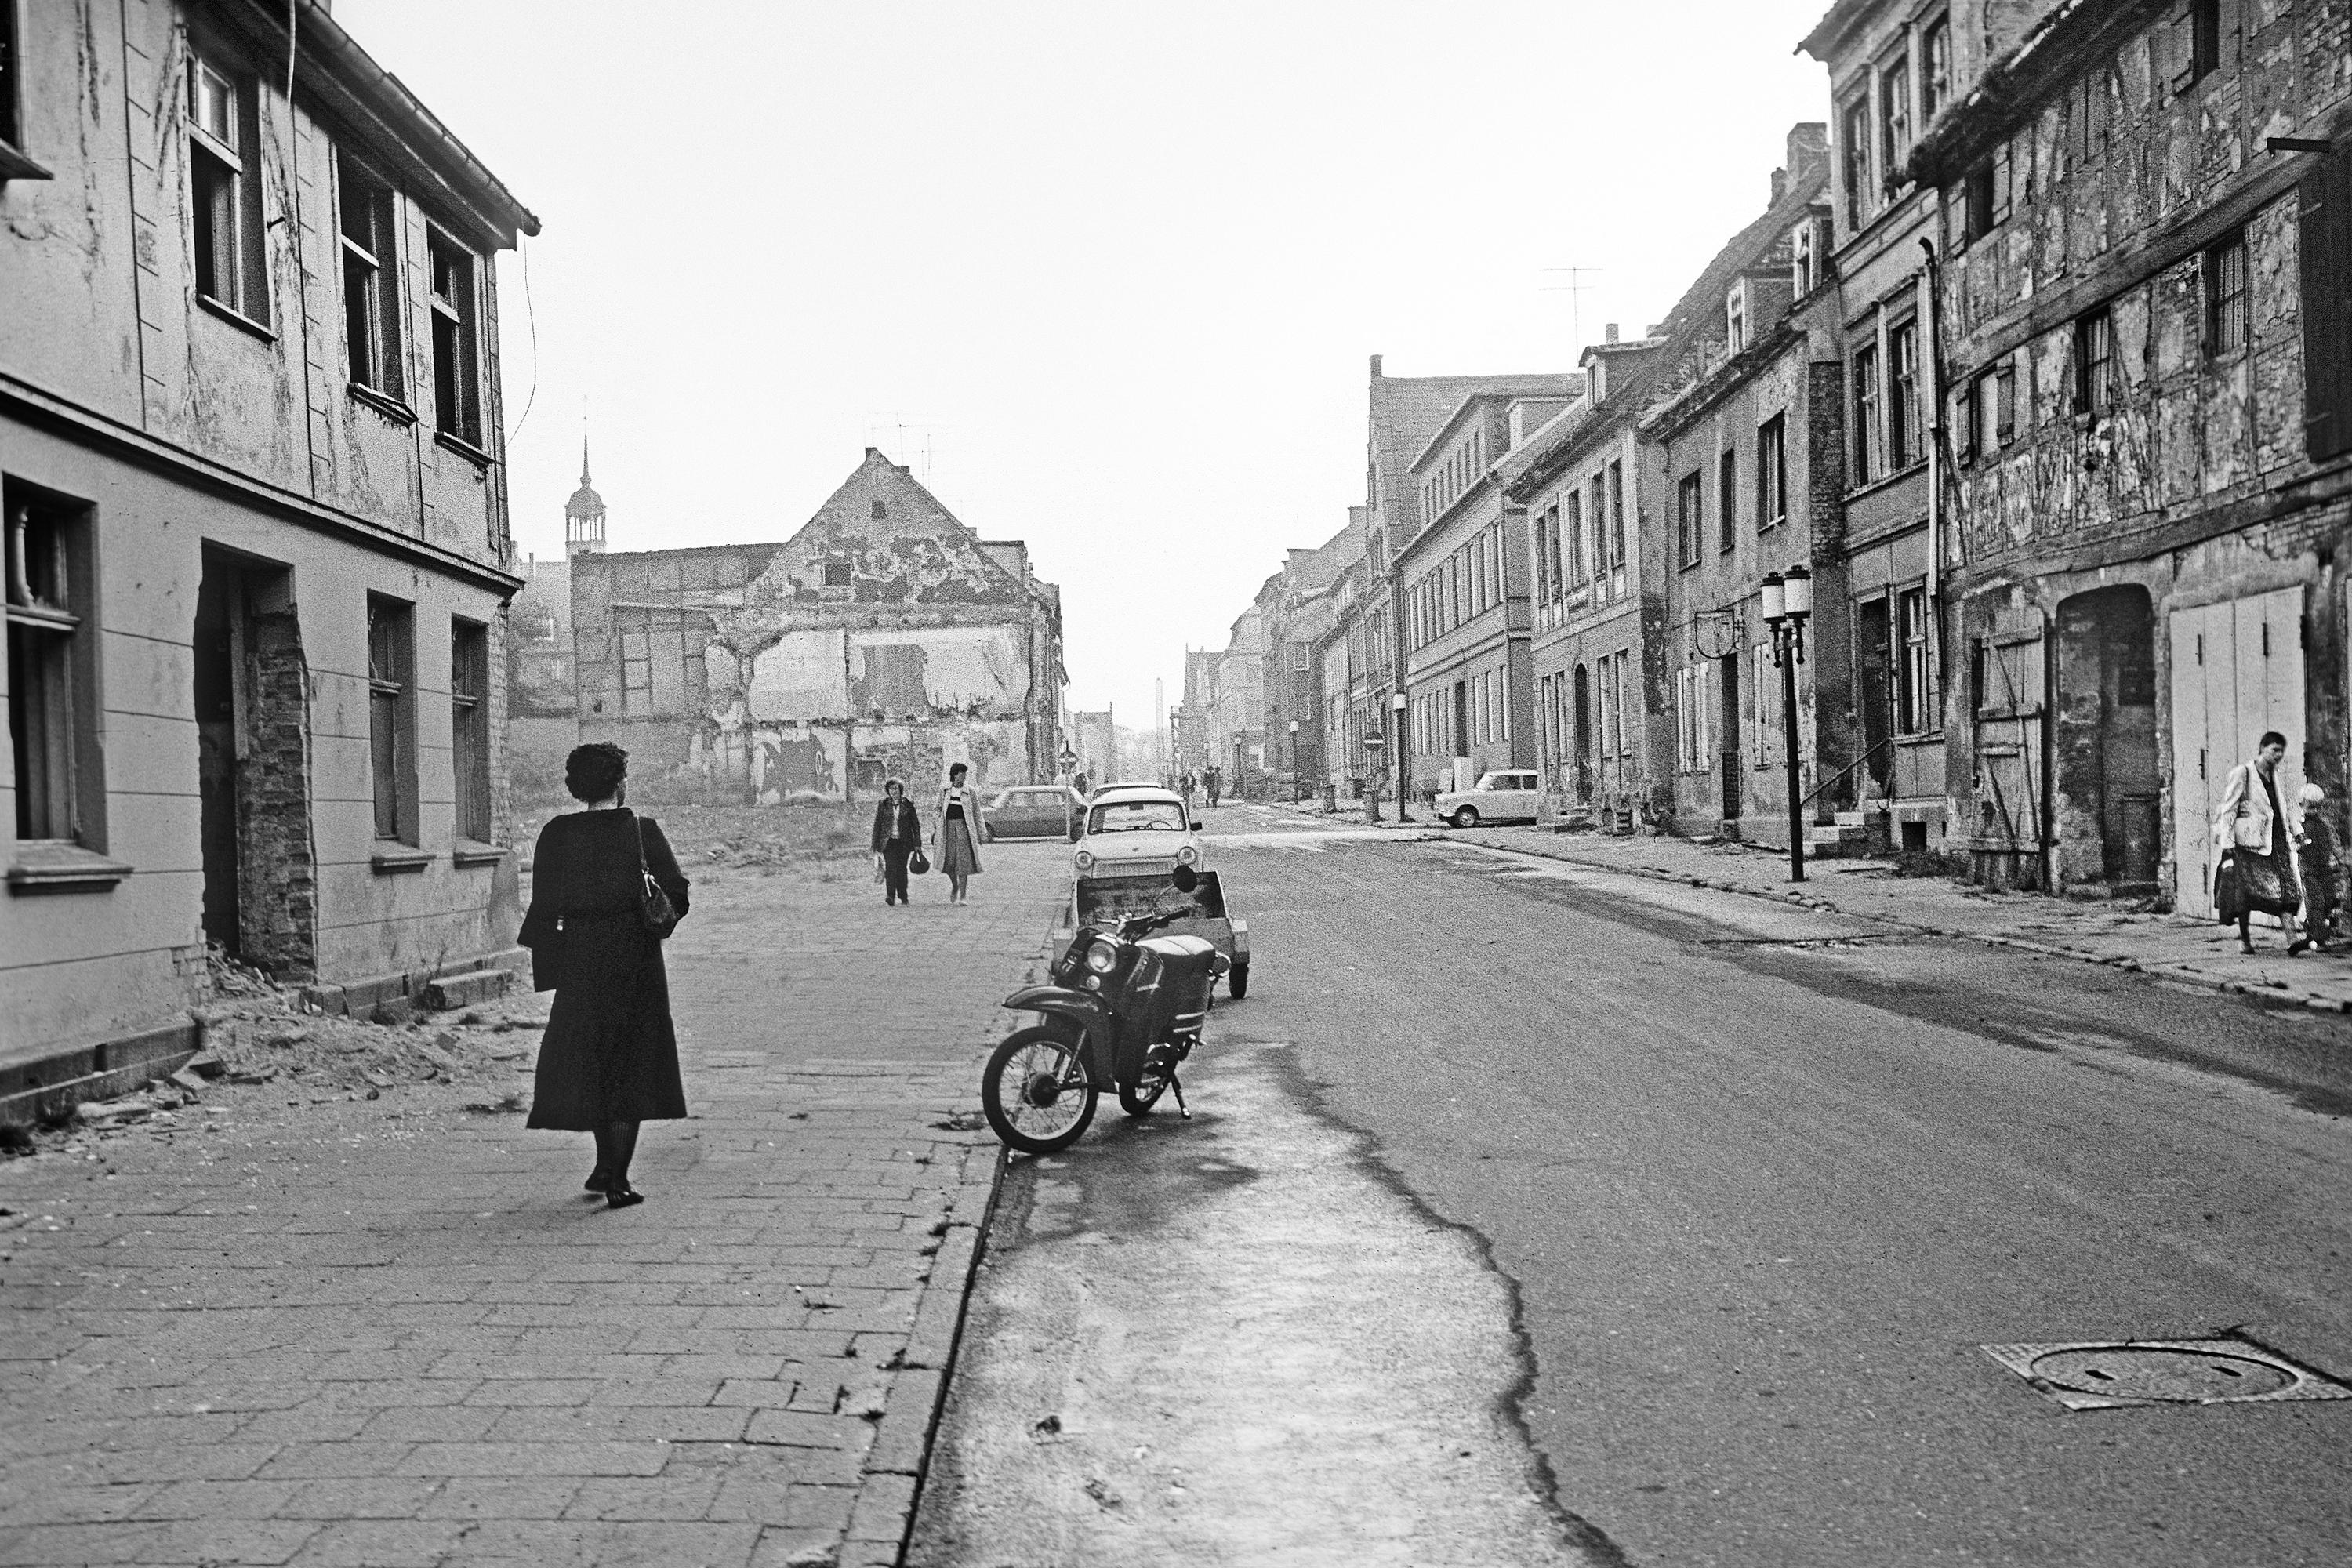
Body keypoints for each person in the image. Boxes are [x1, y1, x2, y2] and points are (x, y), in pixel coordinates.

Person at [517, 742, 691, 1209]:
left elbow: (542, 909)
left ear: (577, 788)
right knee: (629, 1066)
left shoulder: (555, 835)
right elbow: (676, 895)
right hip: (635, 963)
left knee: (593, 1061)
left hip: (581, 965)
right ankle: (618, 1178)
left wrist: (557, 962)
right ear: (621, 784)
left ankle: (602, 1164)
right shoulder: (641, 830)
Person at [2213, 731, 2306, 956]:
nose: (2279, 755)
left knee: (2287, 891)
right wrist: (2227, 842)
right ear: (2262, 748)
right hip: (2250, 844)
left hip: (2278, 843)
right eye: (2275, 749)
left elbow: (2289, 807)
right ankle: (2245, 941)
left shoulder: (2280, 777)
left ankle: (2292, 940)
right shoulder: (2243, 773)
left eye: (2281, 751)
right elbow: (2228, 809)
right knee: (2245, 894)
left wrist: (2298, 832)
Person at [935, 761, 985, 906]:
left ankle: (963, 896)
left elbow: (977, 813)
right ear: (954, 775)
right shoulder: (945, 791)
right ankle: (955, 886)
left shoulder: (970, 792)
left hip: (964, 829)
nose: (963, 778)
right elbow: (938, 808)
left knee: (963, 863)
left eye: (964, 775)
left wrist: (981, 832)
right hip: (948, 830)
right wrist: (937, 823)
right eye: (961, 775)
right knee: (949, 862)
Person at [2297, 782, 2338, 952]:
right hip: (2309, 869)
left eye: (2316, 807)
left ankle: (2316, 930)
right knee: (2315, 902)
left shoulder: (2324, 824)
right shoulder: (2300, 824)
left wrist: (2336, 857)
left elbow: (2332, 842)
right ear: (2302, 805)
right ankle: (2317, 938)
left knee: (2330, 899)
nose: (2313, 810)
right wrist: (2300, 843)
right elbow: (2295, 842)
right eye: (2309, 806)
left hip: (2324, 867)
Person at [871, 776, 921, 906]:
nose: (894, 791)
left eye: (896, 788)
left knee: (902, 869)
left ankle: (903, 896)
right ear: (888, 791)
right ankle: (890, 896)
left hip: (903, 842)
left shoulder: (909, 804)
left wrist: (917, 844)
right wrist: (875, 844)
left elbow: (915, 825)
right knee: (890, 869)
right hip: (888, 842)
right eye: (891, 789)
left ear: (900, 790)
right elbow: (878, 825)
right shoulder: (883, 804)